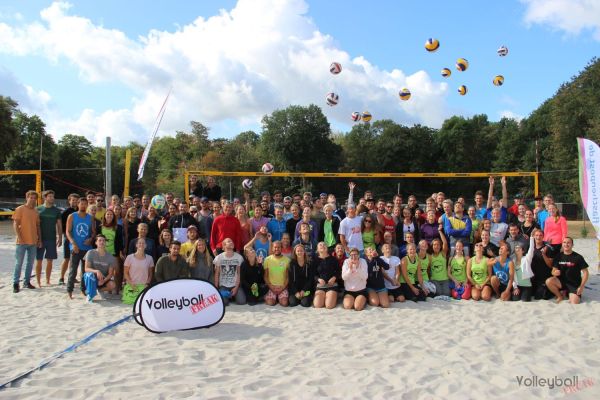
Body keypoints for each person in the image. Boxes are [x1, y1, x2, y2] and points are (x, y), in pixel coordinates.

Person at [12, 190, 41, 293]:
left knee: (30, 263)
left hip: (33, 241)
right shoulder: (20, 209)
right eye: (31, 198)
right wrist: (19, 237)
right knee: (19, 263)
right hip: (22, 242)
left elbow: (38, 226)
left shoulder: (36, 211)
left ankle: (27, 282)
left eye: (34, 198)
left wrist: (39, 239)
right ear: (27, 197)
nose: (33, 200)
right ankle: (15, 283)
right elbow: (15, 224)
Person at [66, 197, 95, 299]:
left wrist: (91, 239)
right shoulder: (72, 216)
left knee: (85, 270)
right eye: (81, 204)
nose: (83, 205)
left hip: (87, 248)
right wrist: (73, 243)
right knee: (73, 270)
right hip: (75, 247)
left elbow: (93, 232)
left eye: (85, 204)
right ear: (78, 204)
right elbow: (68, 232)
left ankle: (83, 289)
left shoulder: (90, 217)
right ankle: (69, 290)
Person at [546, 237, 589, 304]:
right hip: (561, 282)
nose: (566, 244)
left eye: (568, 243)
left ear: (572, 245)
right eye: (564, 242)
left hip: (573, 284)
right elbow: (553, 271)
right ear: (562, 244)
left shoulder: (578, 257)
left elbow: (585, 272)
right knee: (549, 281)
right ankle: (560, 296)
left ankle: (567, 292)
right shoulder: (558, 256)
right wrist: (555, 273)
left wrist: (581, 286)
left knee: (575, 302)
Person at [35, 190, 62, 287]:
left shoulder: (56, 210)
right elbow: (34, 224)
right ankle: (38, 282)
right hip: (40, 239)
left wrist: (60, 237)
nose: (52, 198)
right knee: (39, 260)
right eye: (50, 196)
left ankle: (47, 280)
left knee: (50, 260)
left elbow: (59, 225)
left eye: (53, 196)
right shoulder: (38, 209)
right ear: (45, 197)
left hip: (51, 239)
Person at [83, 235, 117, 302]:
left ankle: (99, 290)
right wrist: (97, 271)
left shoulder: (110, 256)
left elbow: (110, 274)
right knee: (90, 275)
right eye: (99, 240)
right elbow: (86, 269)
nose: (102, 242)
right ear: (96, 242)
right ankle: (90, 295)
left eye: (103, 240)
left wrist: (103, 281)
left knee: (112, 285)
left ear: (105, 243)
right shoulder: (90, 252)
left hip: (103, 279)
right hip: (92, 277)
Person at [99, 208, 125, 292]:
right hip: (102, 252)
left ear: (113, 216)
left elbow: (120, 240)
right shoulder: (100, 227)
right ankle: (107, 288)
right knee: (105, 271)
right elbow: (96, 240)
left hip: (114, 252)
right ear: (104, 216)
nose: (109, 216)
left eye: (111, 214)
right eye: (107, 214)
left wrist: (121, 251)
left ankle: (117, 289)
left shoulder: (118, 227)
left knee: (117, 271)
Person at [122, 237, 154, 304]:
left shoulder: (150, 258)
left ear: (145, 245)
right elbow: (125, 273)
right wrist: (131, 283)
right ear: (136, 245)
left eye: (143, 243)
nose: (141, 244)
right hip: (132, 285)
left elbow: (150, 274)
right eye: (139, 243)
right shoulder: (129, 257)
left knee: (142, 303)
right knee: (129, 302)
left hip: (143, 286)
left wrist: (147, 284)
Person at [59, 193, 79, 285]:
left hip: (78, 238)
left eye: (76, 200)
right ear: (69, 201)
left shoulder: (80, 211)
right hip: (68, 238)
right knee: (66, 258)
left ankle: (72, 277)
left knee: (74, 260)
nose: (74, 202)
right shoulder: (66, 212)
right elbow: (61, 226)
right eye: (73, 200)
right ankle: (61, 278)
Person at [263, 241, 290, 307]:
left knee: (284, 303)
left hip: (282, 286)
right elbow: (265, 276)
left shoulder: (287, 260)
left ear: (281, 248)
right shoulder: (267, 259)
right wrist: (271, 286)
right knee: (270, 303)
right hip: (271, 286)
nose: (277, 249)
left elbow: (288, 277)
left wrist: (283, 287)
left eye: (279, 247)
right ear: (272, 248)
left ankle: (279, 298)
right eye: (275, 247)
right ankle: (272, 298)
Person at [530, 229, 554, 300]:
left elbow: (550, 265)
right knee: (530, 294)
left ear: (543, 237)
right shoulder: (530, 246)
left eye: (540, 235)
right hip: (533, 277)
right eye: (536, 235)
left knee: (541, 296)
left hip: (543, 277)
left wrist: (543, 254)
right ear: (534, 236)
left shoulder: (548, 248)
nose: (538, 237)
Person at [312, 242, 338, 309]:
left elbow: (338, 271)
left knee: (329, 306)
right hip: (320, 286)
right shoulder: (315, 260)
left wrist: (334, 277)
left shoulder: (333, 259)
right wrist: (318, 279)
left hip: (332, 285)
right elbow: (312, 274)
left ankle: (333, 296)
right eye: (320, 245)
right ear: (317, 249)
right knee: (318, 305)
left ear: (327, 248)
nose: (322, 246)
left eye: (324, 245)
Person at [511, 236, 535, 302]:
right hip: (518, 286)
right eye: (516, 248)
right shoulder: (513, 261)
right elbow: (512, 276)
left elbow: (531, 249)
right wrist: (515, 287)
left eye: (519, 248)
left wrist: (532, 238)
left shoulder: (527, 259)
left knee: (525, 300)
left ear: (523, 250)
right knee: (515, 299)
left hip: (527, 286)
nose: (517, 249)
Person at [430, 232, 450, 297]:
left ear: (440, 246)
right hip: (434, 280)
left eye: (438, 244)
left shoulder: (443, 254)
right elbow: (427, 269)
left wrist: (440, 231)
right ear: (432, 246)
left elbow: (445, 243)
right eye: (434, 245)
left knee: (447, 294)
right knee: (439, 293)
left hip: (445, 279)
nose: (436, 246)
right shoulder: (430, 257)